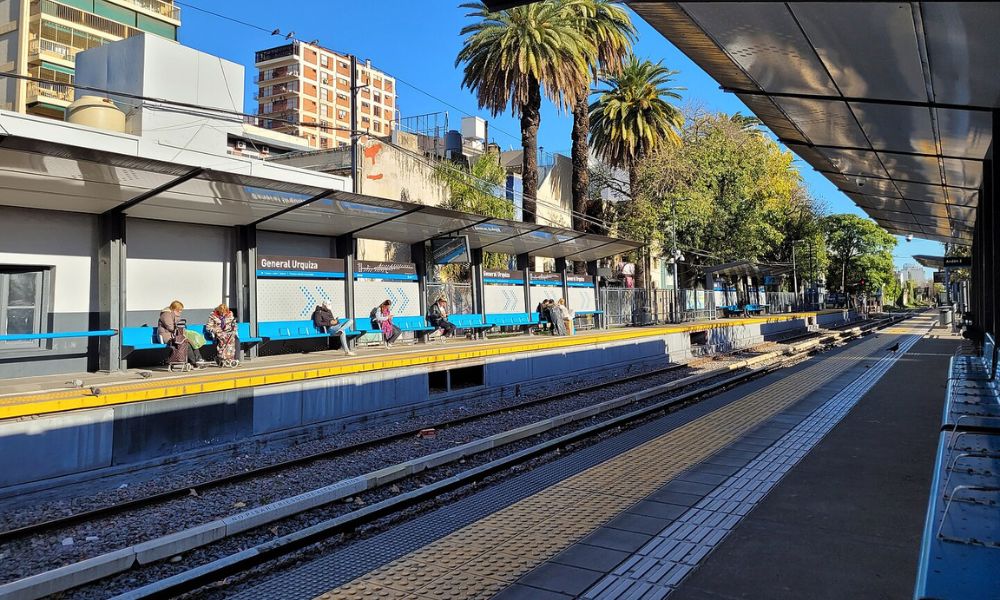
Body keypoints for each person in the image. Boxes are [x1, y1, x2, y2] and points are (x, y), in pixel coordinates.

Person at [158, 300, 205, 369]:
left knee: (192, 341)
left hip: (175, 335)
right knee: (186, 343)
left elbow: (178, 326)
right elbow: (170, 327)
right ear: (174, 309)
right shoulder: (166, 314)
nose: (180, 312)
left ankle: (198, 359)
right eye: (179, 310)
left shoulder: (174, 315)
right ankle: (194, 362)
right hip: (166, 336)